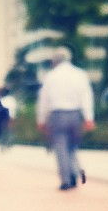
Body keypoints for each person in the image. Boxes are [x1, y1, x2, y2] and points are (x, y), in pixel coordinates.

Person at [36, 46, 95, 191]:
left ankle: (66, 180)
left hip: (58, 115)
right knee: (72, 147)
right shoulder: (80, 74)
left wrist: (41, 120)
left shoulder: (51, 76)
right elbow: (86, 96)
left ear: (55, 61)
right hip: (76, 115)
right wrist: (89, 117)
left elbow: (44, 100)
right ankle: (74, 172)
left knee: (61, 147)